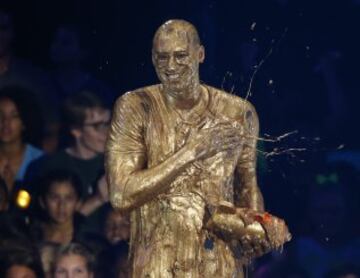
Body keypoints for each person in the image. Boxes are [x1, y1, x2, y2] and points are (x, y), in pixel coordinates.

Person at [106, 19, 290, 277]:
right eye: (162, 57)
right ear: (152, 58)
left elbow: (247, 186)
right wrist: (191, 151)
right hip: (158, 264)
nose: (170, 66)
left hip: (220, 263)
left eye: (180, 56)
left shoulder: (238, 113)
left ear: (200, 54)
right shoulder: (135, 107)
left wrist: (255, 228)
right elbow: (121, 194)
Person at [0, 86, 44, 198]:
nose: (5, 122)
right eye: (1, 115)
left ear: (24, 122)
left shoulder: (39, 160)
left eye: (14, 116)